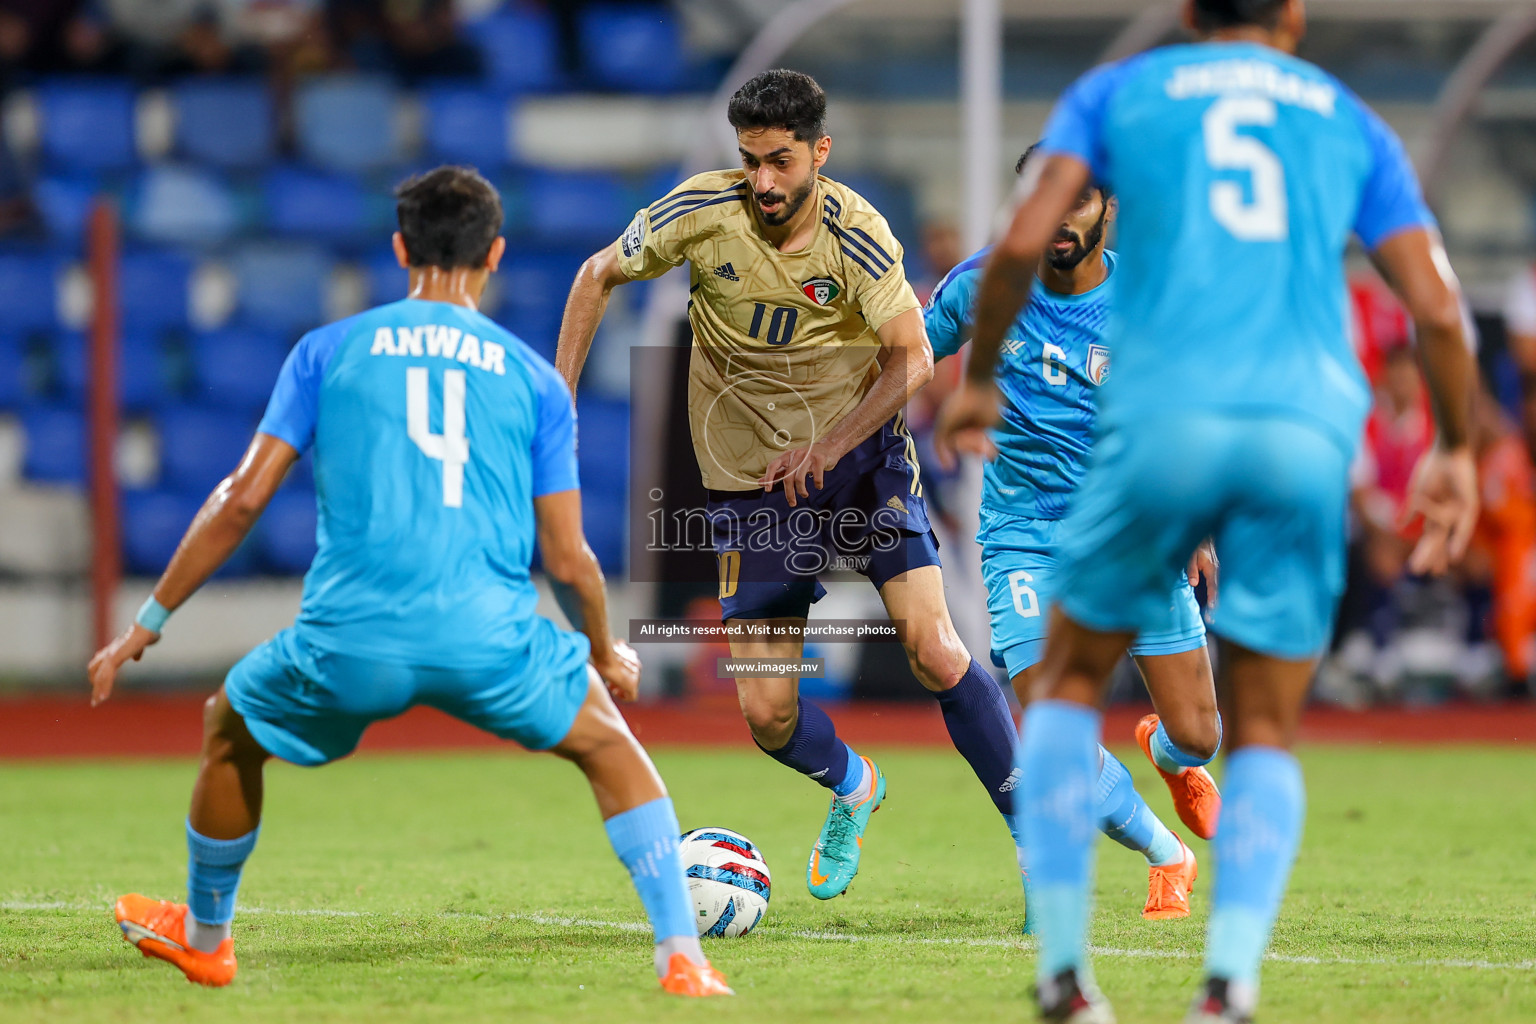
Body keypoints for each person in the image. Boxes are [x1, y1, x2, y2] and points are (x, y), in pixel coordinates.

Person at [934, 2, 1478, 1021]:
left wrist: (973, 383)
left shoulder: (1120, 95)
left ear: (1186, 15)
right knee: (1266, 729)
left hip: (1166, 418)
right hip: (1302, 422)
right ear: (1296, 16)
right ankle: (1227, 986)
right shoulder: (1346, 117)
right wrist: (1454, 446)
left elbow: (1014, 241)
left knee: (1059, 697)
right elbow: (1438, 305)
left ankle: (1063, 975)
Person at [89, 166, 732, 998]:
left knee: (227, 728)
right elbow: (568, 558)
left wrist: (149, 618)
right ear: (495, 254)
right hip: (490, 638)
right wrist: (605, 651)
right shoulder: (535, 379)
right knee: (611, 748)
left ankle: (209, 938)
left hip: (350, 637)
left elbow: (241, 498)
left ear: (400, 248)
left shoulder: (327, 351)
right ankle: (682, 955)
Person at [555, 69, 1022, 902]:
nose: (764, 181)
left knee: (934, 648)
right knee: (769, 716)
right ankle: (853, 784)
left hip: (862, 461)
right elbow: (595, 276)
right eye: (750, 161)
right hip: (751, 488)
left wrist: (833, 443)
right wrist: (559, 402)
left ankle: (1035, 840)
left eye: (780, 161)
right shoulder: (700, 211)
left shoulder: (860, 234)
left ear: (819, 152)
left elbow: (913, 357)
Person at [926, 145, 1222, 927]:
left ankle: (1168, 754)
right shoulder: (986, 284)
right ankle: (1168, 854)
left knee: (1201, 733)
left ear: (1109, 207)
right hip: (1023, 534)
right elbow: (910, 352)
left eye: (1079, 201)